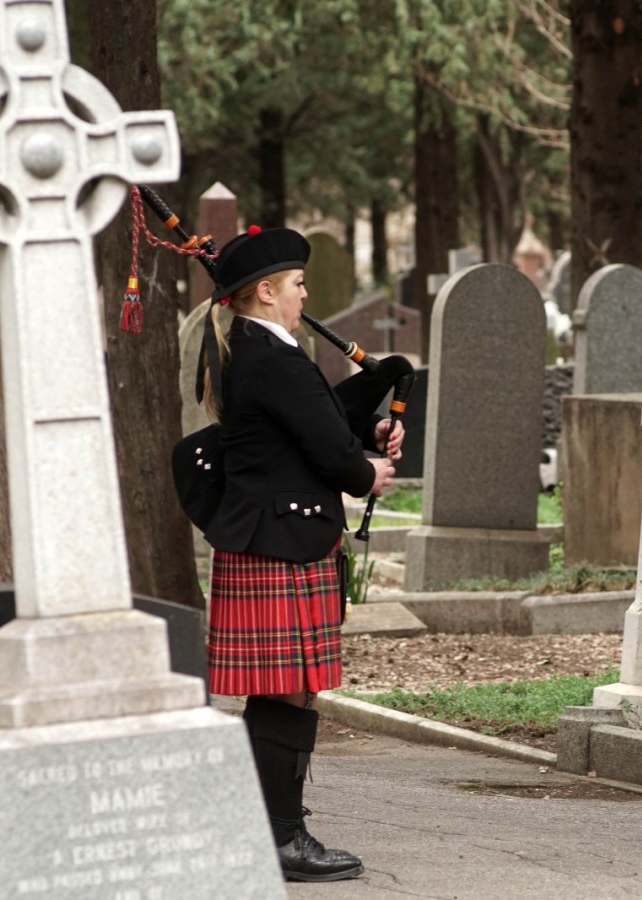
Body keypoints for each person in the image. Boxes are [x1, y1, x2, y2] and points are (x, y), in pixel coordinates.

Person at [197, 225, 402, 883]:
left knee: (284, 689)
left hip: (273, 538)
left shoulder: (253, 349)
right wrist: (367, 470)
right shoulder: (269, 356)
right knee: (288, 692)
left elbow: (311, 423)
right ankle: (282, 839)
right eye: (297, 284)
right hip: (280, 543)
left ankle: (269, 829)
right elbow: (332, 454)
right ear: (264, 291)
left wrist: (364, 428)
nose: (304, 294)